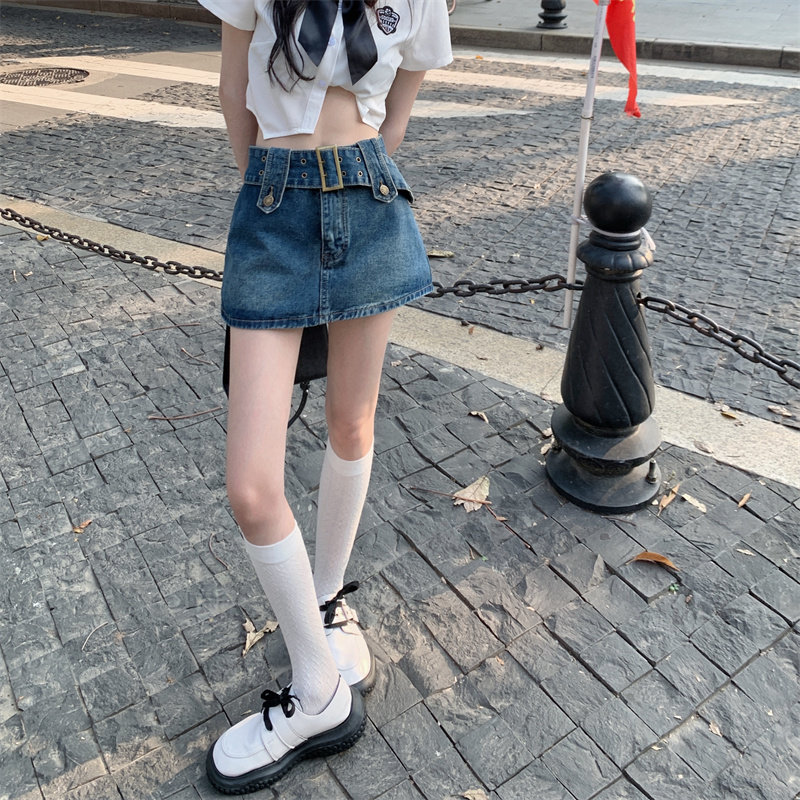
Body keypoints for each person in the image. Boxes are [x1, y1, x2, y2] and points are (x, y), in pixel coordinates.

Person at [196, 0, 452, 794]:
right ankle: (320, 692)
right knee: (251, 487)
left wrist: (341, 185)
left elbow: (397, 114)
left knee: (352, 420)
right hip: (273, 204)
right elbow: (234, 91)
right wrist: (276, 190)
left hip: (370, 197)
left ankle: (327, 608)